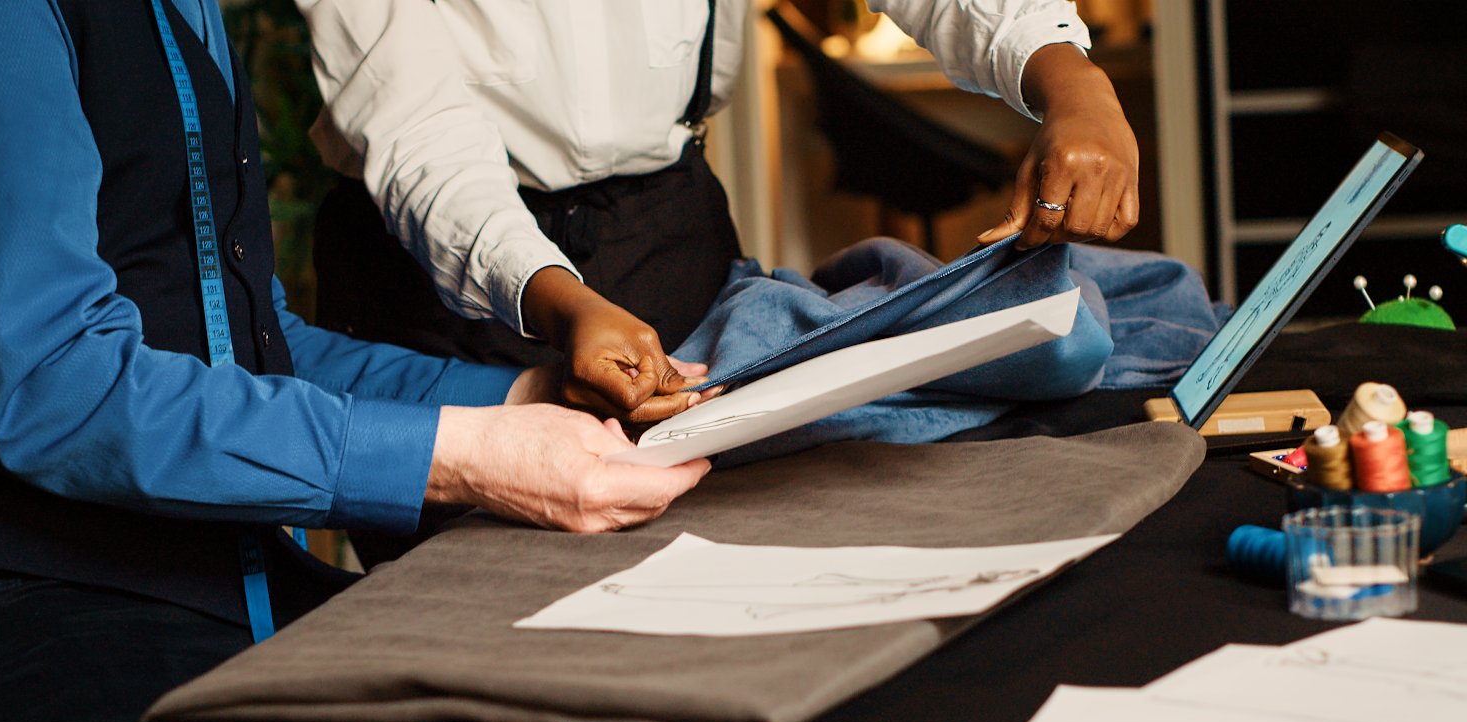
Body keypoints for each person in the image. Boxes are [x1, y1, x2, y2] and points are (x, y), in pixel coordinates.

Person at [0, 0, 707, 722]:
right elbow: (56, 385)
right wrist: (466, 454)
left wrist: (528, 396)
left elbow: (245, 339)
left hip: (203, 586)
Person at [303, 0, 1141, 423]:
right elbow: (420, 139)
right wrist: (560, 299)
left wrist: (1075, 86)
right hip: (443, 287)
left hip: (672, 234)